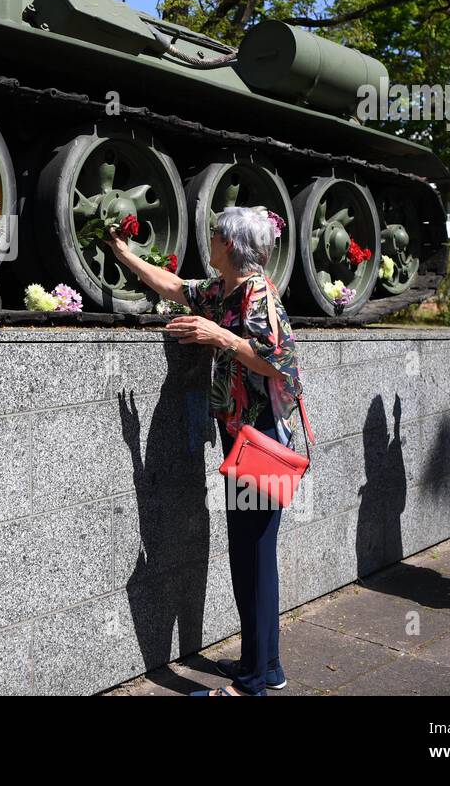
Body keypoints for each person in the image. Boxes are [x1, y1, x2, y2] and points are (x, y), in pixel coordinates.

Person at [104, 205, 305, 695]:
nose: (208, 240)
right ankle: (267, 667)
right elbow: (176, 288)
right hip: (246, 436)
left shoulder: (259, 298)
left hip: (263, 440)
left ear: (232, 246)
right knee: (250, 555)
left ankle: (252, 684)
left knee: (254, 557)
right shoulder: (227, 290)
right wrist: (123, 253)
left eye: (215, 235)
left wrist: (220, 336)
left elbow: (280, 366)